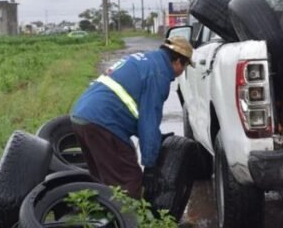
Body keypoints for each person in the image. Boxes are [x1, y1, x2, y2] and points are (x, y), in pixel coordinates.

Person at [70, 36, 194, 199]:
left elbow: (135, 113)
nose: (181, 73)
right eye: (185, 66)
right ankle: (129, 216)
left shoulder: (147, 60)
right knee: (129, 182)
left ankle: (102, 214)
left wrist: (156, 138)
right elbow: (148, 122)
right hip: (103, 123)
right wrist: (150, 167)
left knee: (103, 183)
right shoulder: (159, 74)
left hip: (81, 117)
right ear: (178, 61)